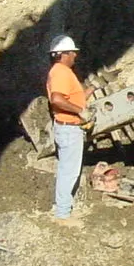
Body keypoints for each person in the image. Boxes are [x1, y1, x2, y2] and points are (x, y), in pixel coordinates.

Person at [46, 35, 90, 223]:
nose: (75, 56)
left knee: (68, 169)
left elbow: (71, 97)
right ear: (63, 54)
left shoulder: (61, 72)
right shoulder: (61, 72)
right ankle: (63, 214)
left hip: (68, 127)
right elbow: (57, 99)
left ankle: (64, 208)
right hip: (69, 129)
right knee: (69, 172)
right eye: (72, 52)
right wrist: (80, 111)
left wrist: (92, 89)